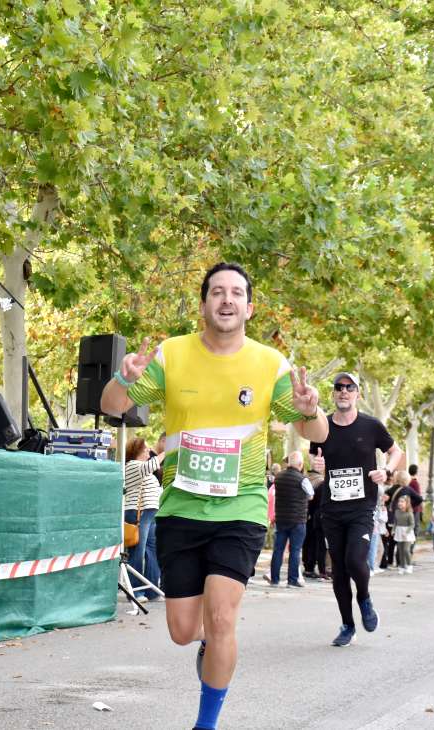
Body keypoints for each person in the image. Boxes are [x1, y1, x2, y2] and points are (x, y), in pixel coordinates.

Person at [100, 262, 327, 730]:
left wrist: (311, 409)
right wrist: (123, 379)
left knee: (223, 617)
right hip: (181, 506)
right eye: (217, 292)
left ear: (249, 306)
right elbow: (110, 407)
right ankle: (205, 640)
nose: (227, 300)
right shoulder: (171, 354)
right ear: (203, 303)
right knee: (185, 631)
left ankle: (206, 723)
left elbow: (313, 430)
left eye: (236, 293)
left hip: (240, 507)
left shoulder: (270, 364)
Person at [309, 370, 403, 648]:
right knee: (338, 568)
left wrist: (386, 470)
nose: (344, 391)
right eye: (339, 387)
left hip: (362, 507)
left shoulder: (371, 426)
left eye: (349, 387)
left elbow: (396, 452)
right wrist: (316, 466)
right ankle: (347, 625)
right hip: (332, 508)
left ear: (357, 394)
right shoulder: (321, 426)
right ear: (334, 393)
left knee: (355, 560)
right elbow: (314, 458)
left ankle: (364, 596)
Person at [124, 436, 165, 601]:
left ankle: (152, 590)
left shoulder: (141, 467)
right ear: (137, 451)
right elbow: (152, 465)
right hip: (138, 512)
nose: (149, 451)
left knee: (151, 551)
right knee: (138, 551)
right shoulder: (132, 466)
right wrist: (165, 452)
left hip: (149, 512)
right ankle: (136, 591)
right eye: (145, 449)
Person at [267, 451, 313, 587]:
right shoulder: (303, 479)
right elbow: (311, 495)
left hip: (281, 519)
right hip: (298, 520)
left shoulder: (278, 477)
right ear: (300, 464)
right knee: (295, 550)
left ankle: (275, 580)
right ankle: (292, 580)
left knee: (278, 549)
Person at [383, 470, 422, 570]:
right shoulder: (408, 489)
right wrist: (409, 507)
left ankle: (390, 562)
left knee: (391, 542)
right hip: (404, 518)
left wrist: (388, 505)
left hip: (392, 517)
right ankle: (401, 563)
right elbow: (419, 499)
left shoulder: (392, 489)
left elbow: (385, 498)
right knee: (403, 542)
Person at [303, 466, 328, 579]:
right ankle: (322, 570)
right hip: (324, 517)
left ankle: (309, 567)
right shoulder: (324, 484)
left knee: (310, 543)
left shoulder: (307, 480)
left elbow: (311, 503)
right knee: (321, 545)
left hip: (312, 516)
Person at [393, 494, 415, 574]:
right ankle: (402, 566)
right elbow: (395, 522)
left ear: (407, 503)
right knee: (400, 551)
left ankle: (409, 565)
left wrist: (406, 532)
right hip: (399, 532)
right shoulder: (397, 512)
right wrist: (393, 530)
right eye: (399, 501)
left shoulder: (409, 513)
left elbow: (412, 524)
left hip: (407, 534)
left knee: (406, 550)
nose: (400, 503)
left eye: (402, 502)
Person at [407, 464, 424, 531]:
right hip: (415, 508)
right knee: (415, 528)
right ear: (416, 472)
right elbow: (418, 497)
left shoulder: (407, 481)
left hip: (408, 507)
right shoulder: (414, 482)